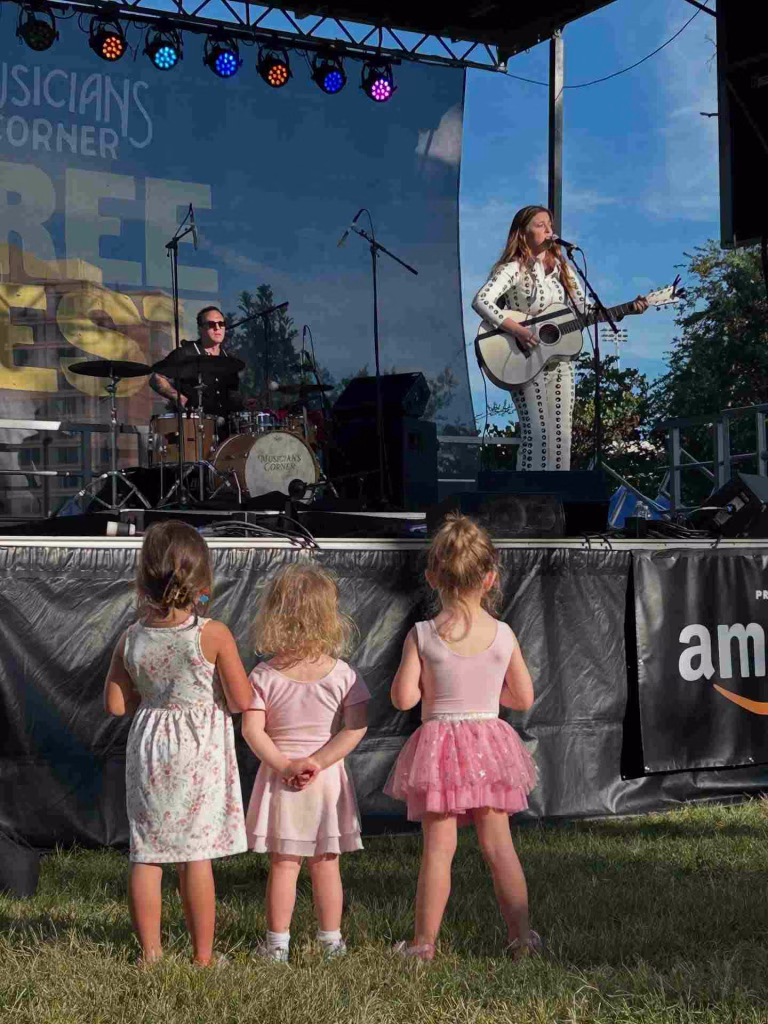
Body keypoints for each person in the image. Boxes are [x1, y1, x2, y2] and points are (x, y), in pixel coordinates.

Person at [384, 513, 537, 960]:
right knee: (498, 845)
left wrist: (427, 686)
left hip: (440, 750)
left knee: (438, 850)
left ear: (432, 576)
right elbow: (523, 698)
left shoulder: (423, 635)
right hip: (491, 748)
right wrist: (489, 697)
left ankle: (423, 944)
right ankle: (522, 938)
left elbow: (401, 699)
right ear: (490, 577)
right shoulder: (503, 634)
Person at [103, 520, 253, 966]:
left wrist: (148, 691)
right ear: (201, 578)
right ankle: (203, 958)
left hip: (150, 746)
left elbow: (115, 705)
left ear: (143, 577)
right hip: (200, 751)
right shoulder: (213, 634)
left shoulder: (130, 638)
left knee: (147, 852)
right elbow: (242, 699)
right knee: (196, 854)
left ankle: (150, 955)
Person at [241, 563, 369, 962]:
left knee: (284, 866)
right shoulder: (343, 675)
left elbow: (251, 731)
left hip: (283, 782)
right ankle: (331, 942)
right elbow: (356, 728)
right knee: (326, 865)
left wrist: (285, 765)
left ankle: (277, 946)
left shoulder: (263, 676)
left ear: (275, 613)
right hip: (325, 782)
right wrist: (317, 761)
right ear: (330, 615)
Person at [472, 205, 648, 471]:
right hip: (522, 357)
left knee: (562, 435)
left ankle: (555, 503)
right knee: (537, 435)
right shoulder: (513, 269)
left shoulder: (563, 270)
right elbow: (481, 301)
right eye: (540, 224)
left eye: (549, 224)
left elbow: (586, 311)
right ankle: (530, 502)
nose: (548, 230)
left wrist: (625, 311)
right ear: (522, 233)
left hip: (560, 361)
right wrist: (517, 329)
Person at [150, 305, 247, 419]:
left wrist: (245, 402)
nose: (217, 328)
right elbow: (156, 378)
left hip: (223, 425)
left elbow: (232, 393)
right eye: (211, 324)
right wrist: (178, 397)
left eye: (221, 324)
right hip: (193, 423)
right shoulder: (186, 353)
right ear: (200, 329)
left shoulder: (228, 359)